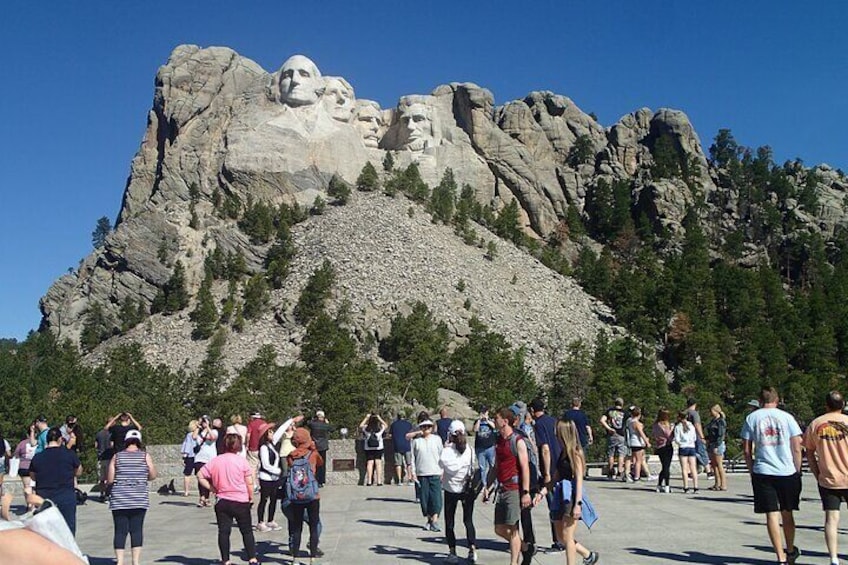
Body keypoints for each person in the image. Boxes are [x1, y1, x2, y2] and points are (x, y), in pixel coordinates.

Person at [741, 386, 803, 565]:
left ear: (760, 401)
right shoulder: (787, 417)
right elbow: (797, 446)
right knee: (788, 512)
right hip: (786, 470)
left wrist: (751, 468)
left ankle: (780, 556)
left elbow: (746, 449)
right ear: (777, 400)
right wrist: (797, 469)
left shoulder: (752, 417)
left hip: (763, 470)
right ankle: (790, 548)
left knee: (771, 515)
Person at [539, 419, 599, 565]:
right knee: (561, 537)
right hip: (560, 494)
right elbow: (556, 476)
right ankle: (588, 555)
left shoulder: (575, 453)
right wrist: (543, 491)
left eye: (557, 431)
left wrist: (578, 504)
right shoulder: (563, 452)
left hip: (571, 495)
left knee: (567, 535)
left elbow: (579, 479)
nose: (555, 434)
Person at [198, 433, 260, 565]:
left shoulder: (216, 460)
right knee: (247, 531)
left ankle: (225, 560)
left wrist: (213, 489)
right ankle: (252, 559)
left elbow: (200, 475)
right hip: (241, 500)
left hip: (223, 500)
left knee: (224, 532)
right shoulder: (242, 461)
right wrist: (251, 497)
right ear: (239, 446)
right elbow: (249, 482)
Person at [805, 390, 848, 565]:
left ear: (826, 405)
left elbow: (808, 451)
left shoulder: (816, 424)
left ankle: (833, 558)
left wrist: (817, 473)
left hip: (828, 478)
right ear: (843, 405)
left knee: (831, 519)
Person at [107, 429, 156, 565]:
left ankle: (120, 561)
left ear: (126, 441)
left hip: (119, 499)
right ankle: (135, 561)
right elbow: (152, 475)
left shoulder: (117, 456)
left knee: (120, 531)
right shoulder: (145, 456)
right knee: (136, 530)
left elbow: (110, 479)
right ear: (139, 442)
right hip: (139, 498)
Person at [492, 407, 532, 565]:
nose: (495, 421)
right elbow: (496, 466)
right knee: (499, 528)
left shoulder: (517, 441)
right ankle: (524, 547)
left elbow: (525, 468)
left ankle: (513, 562)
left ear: (505, 421)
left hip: (514, 488)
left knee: (513, 527)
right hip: (501, 488)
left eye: (497, 418)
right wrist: (487, 487)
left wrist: (526, 492)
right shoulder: (499, 441)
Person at [29, 427, 82, 534]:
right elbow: (79, 471)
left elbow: (32, 476)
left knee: (45, 529)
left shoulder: (38, 457)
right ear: (60, 439)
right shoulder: (69, 454)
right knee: (67, 528)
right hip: (65, 495)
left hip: (44, 496)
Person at [439, 420, 478, 564]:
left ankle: (452, 552)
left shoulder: (447, 451)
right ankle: (472, 549)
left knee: (450, 522)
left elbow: (443, 465)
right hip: (466, 489)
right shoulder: (470, 450)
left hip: (451, 489)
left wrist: (445, 447)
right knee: (468, 520)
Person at [530, 398, 562, 553]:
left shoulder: (539, 424)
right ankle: (563, 538)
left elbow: (545, 449)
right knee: (561, 505)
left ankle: (559, 541)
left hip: (551, 470)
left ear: (532, 410)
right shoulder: (554, 421)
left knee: (554, 506)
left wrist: (547, 473)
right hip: (561, 467)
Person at [286, 427, 324, 561]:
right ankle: (312, 557)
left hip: (297, 495)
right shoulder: (312, 454)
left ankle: (295, 558)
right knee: (314, 526)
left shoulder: (291, 456)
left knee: (297, 528)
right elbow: (320, 463)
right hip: (312, 494)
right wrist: (314, 448)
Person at [411, 418, 444, 531]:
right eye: (424, 427)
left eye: (428, 427)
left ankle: (435, 520)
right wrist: (413, 473)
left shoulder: (437, 439)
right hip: (422, 473)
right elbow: (412, 458)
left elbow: (442, 455)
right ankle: (429, 519)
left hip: (435, 472)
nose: (426, 429)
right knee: (424, 500)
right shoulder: (416, 441)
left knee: (436, 499)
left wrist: (443, 470)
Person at [256, 422, 282, 532]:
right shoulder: (263, 447)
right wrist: (278, 471)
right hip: (266, 478)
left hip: (274, 478)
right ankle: (260, 522)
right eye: (270, 432)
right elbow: (266, 464)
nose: (273, 433)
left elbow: (280, 432)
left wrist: (291, 421)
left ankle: (270, 520)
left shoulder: (271, 445)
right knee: (264, 499)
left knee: (273, 499)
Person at [193, 415, 219, 507]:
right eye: (203, 422)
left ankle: (207, 498)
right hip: (200, 458)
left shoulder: (214, 431)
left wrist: (208, 427)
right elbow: (194, 437)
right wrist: (197, 426)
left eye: (205, 421)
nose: (204, 423)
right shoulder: (200, 432)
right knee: (200, 478)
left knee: (209, 479)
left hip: (210, 459)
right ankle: (202, 497)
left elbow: (213, 437)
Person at [562, 397, 594, 471]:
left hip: (569, 438)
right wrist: (590, 436)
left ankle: (570, 469)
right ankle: (581, 470)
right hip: (581, 438)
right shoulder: (583, 415)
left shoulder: (567, 414)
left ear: (571, 404)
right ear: (579, 404)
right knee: (581, 455)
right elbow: (587, 426)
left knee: (569, 455)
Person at [599, 398, 627, 480]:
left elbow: (602, 420)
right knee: (621, 454)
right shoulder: (625, 413)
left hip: (611, 434)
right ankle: (620, 471)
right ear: (622, 404)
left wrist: (608, 428)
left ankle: (610, 471)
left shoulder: (609, 411)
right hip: (621, 434)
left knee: (611, 454)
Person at [674, 410, 699, 494]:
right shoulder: (691, 425)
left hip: (683, 447)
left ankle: (686, 486)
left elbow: (677, 439)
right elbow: (695, 437)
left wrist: (682, 443)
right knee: (693, 467)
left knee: (684, 468)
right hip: (691, 447)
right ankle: (695, 486)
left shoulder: (678, 427)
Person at [360, 413, 387, 486]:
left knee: (370, 463)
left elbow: (360, 425)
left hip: (368, 448)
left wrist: (366, 417)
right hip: (379, 447)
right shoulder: (380, 428)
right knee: (378, 463)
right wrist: (379, 418)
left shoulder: (366, 428)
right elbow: (386, 425)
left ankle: (369, 481)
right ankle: (379, 481)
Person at [13, 429, 37, 511]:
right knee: (34, 487)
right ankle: (34, 504)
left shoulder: (22, 443)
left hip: (24, 467)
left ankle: (29, 504)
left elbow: (16, 454)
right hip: (36, 467)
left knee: (27, 487)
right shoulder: (38, 443)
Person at [307, 410, 333, 487]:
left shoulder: (313, 424)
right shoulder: (325, 425)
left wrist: (313, 419)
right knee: (322, 464)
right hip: (323, 446)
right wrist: (327, 423)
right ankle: (321, 481)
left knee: (313, 463)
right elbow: (332, 429)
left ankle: (314, 479)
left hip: (314, 446)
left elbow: (308, 423)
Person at [706, 404, 728, 491]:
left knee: (719, 464)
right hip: (712, 443)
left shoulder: (721, 421)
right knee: (714, 465)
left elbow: (721, 434)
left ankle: (723, 484)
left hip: (717, 444)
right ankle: (717, 483)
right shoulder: (713, 421)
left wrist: (716, 445)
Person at [652, 409, 674, 493]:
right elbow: (668, 435)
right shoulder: (663, 425)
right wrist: (671, 428)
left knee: (664, 466)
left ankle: (659, 485)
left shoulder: (655, 425)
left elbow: (654, 434)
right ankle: (667, 485)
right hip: (666, 446)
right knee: (666, 467)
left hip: (659, 446)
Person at [626, 407, 651, 482]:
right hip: (637, 442)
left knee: (635, 459)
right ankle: (637, 476)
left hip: (632, 442)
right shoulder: (637, 423)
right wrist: (647, 442)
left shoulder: (630, 421)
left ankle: (633, 473)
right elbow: (641, 433)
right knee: (638, 460)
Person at [389, 412, 414, 485]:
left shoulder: (394, 424)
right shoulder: (408, 424)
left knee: (398, 464)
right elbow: (411, 434)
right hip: (407, 445)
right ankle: (409, 479)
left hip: (397, 446)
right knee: (408, 463)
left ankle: (399, 480)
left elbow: (390, 435)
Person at [686, 398, 710, 473]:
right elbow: (697, 425)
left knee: (689, 454)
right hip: (696, 435)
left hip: (686, 437)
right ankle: (708, 470)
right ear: (695, 404)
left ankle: (690, 471)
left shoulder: (684, 413)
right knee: (702, 451)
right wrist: (702, 436)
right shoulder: (694, 413)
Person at [245, 411, 267, 489]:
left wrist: (246, 445)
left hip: (253, 447)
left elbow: (248, 435)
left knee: (252, 467)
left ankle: (254, 485)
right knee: (262, 466)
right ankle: (262, 485)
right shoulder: (264, 423)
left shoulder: (251, 424)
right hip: (263, 447)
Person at [95, 424, 114, 502]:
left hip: (100, 458)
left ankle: (102, 494)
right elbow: (112, 445)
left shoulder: (99, 433)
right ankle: (108, 494)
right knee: (110, 479)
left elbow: (96, 445)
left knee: (102, 479)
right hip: (110, 458)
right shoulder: (112, 434)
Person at [179, 420, 199, 496]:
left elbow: (187, 446)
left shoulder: (189, 435)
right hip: (198, 456)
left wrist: (184, 456)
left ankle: (186, 491)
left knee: (187, 474)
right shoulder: (200, 435)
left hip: (190, 456)